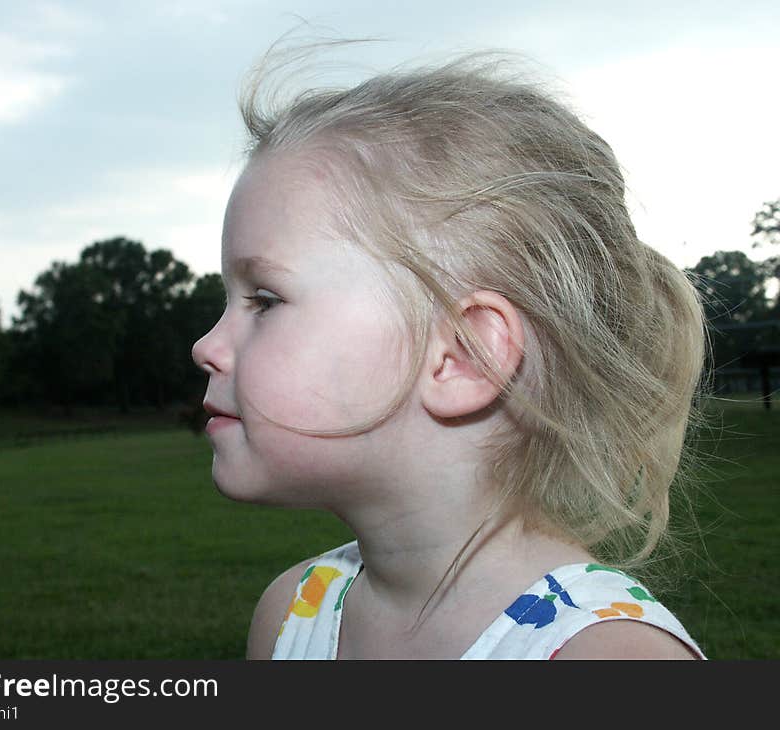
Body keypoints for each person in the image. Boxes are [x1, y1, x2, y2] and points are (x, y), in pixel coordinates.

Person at [191, 39, 708, 660]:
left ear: (463, 356)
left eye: (265, 299)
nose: (206, 346)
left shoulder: (606, 658)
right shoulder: (290, 614)